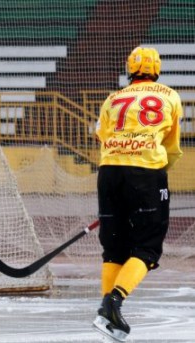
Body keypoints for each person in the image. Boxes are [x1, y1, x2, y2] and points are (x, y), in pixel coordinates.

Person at [93, 47, 183, 342]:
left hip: (109, 172)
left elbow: (102, 135)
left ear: (130, 69)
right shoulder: (169, 96)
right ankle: (114, 301)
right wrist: (156, 175)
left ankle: (106, 314)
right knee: (147, 248)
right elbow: (171, 147)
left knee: (114, 248)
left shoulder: (113, 98)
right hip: (146, 172)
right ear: (157, 68)